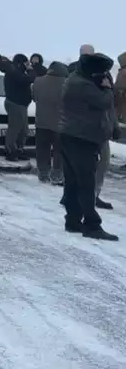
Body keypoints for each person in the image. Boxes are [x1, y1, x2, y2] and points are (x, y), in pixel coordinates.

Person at [57, 51, 119, 240]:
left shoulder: (75, 78)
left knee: (74, 181)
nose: (103, 76)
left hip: (72, 135)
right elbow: (105, 102)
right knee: (85, 182)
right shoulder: (81, 84)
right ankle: (92, 225)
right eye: (101, 73)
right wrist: (108, 88)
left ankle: (73, 220)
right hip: (81, 138)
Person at [32, 61, 69, 185]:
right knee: (59, 150)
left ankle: (43, 172)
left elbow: (34, 97)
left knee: (42, 149)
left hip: (41, 121)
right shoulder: (66, 83)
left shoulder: (38, 81)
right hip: (60, 123)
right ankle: (57, 173)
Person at [0, 54, 34, 161]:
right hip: (15, 103)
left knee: (23, 130)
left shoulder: (15, 71)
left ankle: (19, 149)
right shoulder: (13, 71)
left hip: (21, 104)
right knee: (14, 129)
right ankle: (10, 151)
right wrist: (30, 69)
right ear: (21, 63)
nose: (27, 65)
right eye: (26, 63)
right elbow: (30, 79)